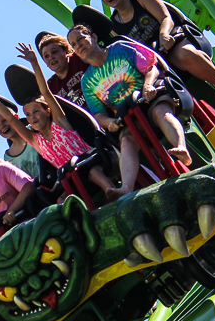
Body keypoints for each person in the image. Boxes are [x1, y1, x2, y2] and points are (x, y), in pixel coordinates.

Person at [0, 43, 116, 200]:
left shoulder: (60, 122)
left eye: (36, 112)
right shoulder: (35, 140)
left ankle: (113, 193)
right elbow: (9, 119)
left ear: (47, 111)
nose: (32, 117)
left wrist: (34, 63)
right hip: (73, 178)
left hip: (92, 161)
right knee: (61, 200)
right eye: (28, 115)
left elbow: (45, 92)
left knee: (92, 172)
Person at [68, 24, 191, 200]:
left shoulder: (119, 49)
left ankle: (181, 147)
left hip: (150, 98)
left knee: (160, 112)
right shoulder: (87, 81)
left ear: (93, 37)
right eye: (74, 44)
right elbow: (99, 115)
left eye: (81, 38)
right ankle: (126, 188)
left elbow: (151, 67)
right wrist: (109, 123)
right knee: (126, 140)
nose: (79, 45)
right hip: (131, 117)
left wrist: (148, 86)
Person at [93, 0, 215, 103]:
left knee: (184, 55)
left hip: (175, 40)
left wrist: (163, 35)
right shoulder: (115, 26)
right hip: (157, 60)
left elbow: (166, 18)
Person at [37, 33, 89, 108]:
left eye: (54, 52)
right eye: (46, 56)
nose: (51, 57)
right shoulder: (51, 86)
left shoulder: (79, 57)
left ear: (66, 51)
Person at [0, 109, 40, 179]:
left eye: (4, 120)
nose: (2, 126)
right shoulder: (8, 157)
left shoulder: (34, 129)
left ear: (16, 117)